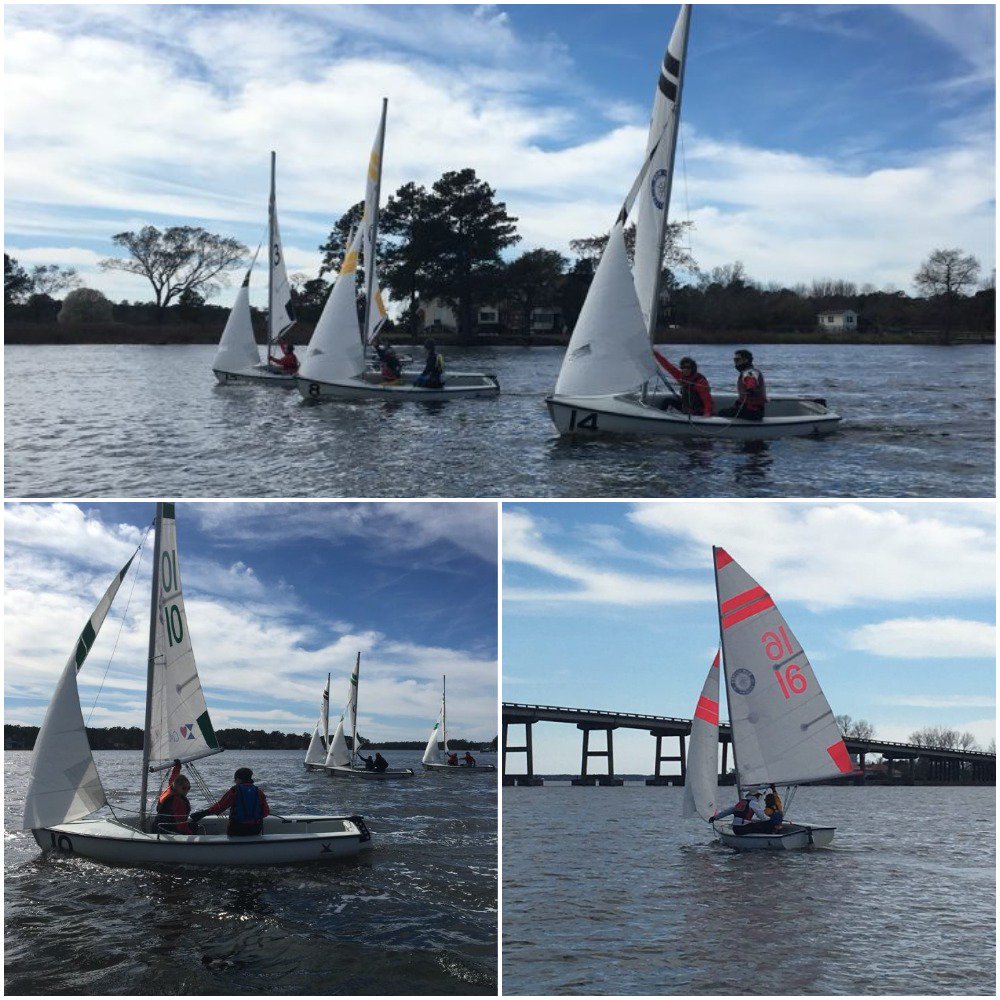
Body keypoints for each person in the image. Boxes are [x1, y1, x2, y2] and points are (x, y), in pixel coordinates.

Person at [190, 767, 269, 837]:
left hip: (237, 829)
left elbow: (220, 807)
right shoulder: (259, 792)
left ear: (238, 779)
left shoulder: (235, 791)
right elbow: (265, 812)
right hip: (255, 830)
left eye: (235, 779)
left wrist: (202, 813)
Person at [653, 351, 713, 416]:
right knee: (667, 401)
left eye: (688, 367)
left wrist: (707, 413)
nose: (685, 369)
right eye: (683, 367)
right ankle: (662, 419)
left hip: (698, 411)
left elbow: (707, 400)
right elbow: (668, 366)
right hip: (686, 408)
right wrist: (655, 354)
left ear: (693, 368)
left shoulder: (700, 381)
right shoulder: (681, 377)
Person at [717, 349, 766, 421]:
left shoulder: (750, 373)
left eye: (737, 360)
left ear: (746, 360)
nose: (735, 362)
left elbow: (751, 382)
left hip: (752, 412)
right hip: (751, 410)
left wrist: (750, 389)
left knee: (721, 413)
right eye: (734, 360)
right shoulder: (748, 372)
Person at [154, 759, 198, 834]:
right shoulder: (178, 801)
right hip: (166, 830)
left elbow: (173, 777)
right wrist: (191, 836)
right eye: (184, 788)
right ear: (177, 787)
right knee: (194, 826)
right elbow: (181, 826)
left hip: (157, 827)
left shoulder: (171, 788)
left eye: (189, 788)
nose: (187, 790)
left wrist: (177, 767)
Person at [709, 788, 774, 835]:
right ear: (756, 796)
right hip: (744, 828)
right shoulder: (753, 803)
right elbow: (762, 817)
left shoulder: (740, 803)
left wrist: (714, 818)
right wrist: (771, 819)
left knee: (755, 824)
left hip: (735, 829)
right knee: (767, 824)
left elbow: (725, 812)